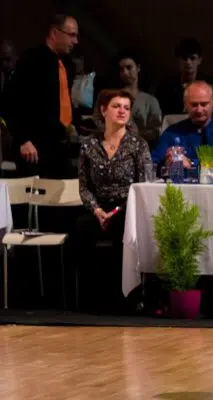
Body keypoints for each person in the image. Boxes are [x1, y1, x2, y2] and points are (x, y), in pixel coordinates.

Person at [75, 89, 151, 310]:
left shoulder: (138, 145)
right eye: (117, 106)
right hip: (98, 207)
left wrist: (117, 210)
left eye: (126, 108)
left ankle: (125, 299)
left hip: (128, 207)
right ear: (103, 110)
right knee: (80, 228)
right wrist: (97, 210)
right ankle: (87, 300)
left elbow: (142, 186)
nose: (122, 111)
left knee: (122, 228)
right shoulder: (89, 145)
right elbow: (84, 187)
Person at [6, 14, 79, 178]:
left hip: (60, 145)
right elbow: (10, 103)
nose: (75, 41)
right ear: (54, 33)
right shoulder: (31, 60)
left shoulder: (68, 64)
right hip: (33, 147)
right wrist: (23, 139)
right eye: (72, 35)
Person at [150, 81, 213, 170]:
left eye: (204, 104)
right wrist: (167, 162)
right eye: (194, 105)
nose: (199, 110)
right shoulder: (172, 132)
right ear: (185, 105)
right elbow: (153, 163)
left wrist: (191, 163)